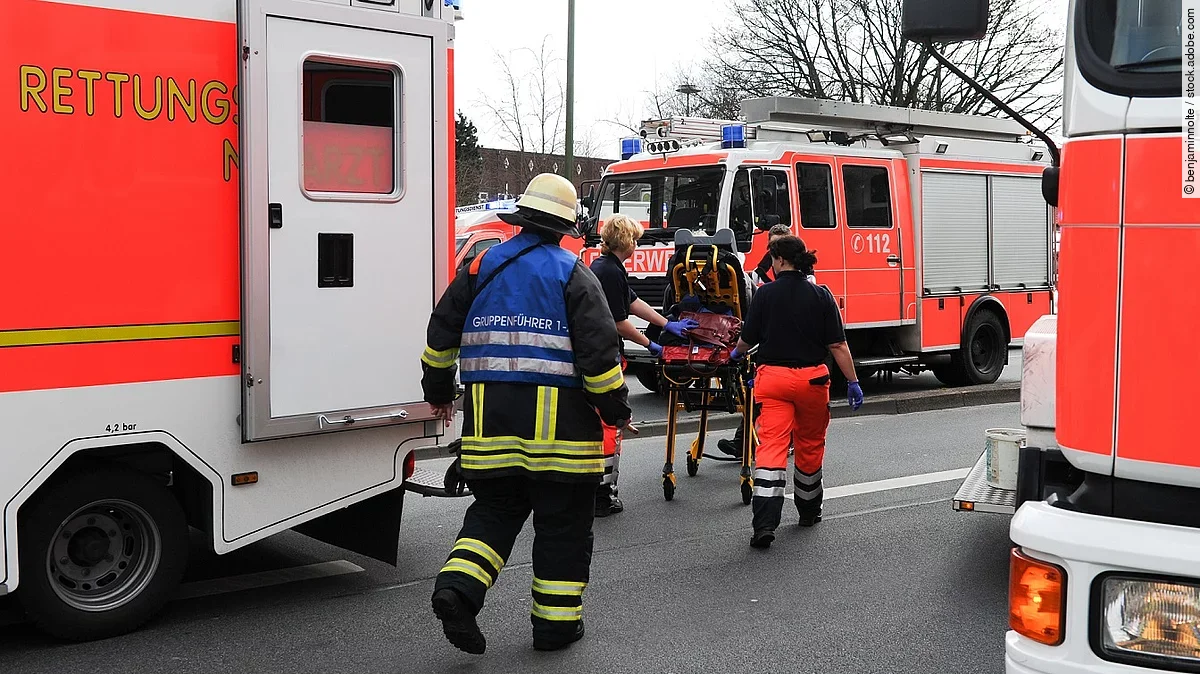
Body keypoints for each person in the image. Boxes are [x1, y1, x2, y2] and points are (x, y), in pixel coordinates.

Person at [420, 173, 632, 654]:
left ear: (521, 218)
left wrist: (439, 392)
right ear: (565, 227)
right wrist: (616, 411)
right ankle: (555, 628)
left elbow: (440, 336)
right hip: (562, 442)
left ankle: (457, 590)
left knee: (493, 516)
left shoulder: (479, 267)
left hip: (490, 431)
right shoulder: (574, 273)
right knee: (562, 530)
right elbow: (600, 360)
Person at [729, 235, 864, 549]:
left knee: (771, 448)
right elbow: (838, 345)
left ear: (779, 260)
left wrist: (735, 354)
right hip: (811, 382)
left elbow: (748, 339)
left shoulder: (765, 294)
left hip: (773, 381)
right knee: (810, 445)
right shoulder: (821, 294)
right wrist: (853, 381)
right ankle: (808, 511)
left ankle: (764, 525)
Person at [589, 214, 698, 517]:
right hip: (603, 354)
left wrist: (667, 323)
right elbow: (619, 321)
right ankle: (602, 495)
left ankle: (597, 491)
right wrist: (651, 344)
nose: (637, 245)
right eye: (635, 240)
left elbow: (633, 302)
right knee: (610, 424)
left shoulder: (608, 267)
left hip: (598, 353)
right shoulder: (609, 271)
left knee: (603, 422)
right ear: (625, 241)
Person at [717, 223, 793, 458]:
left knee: (781, 398)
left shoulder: (801, 272)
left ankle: (781, 440)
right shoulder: (761, 270)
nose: (774, 251)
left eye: (779, 245)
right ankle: (742, 441)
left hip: (790, 343)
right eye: (771, 245)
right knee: (754, 392)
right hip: (766, 340)